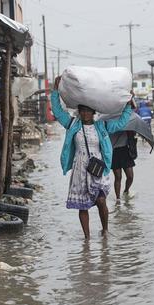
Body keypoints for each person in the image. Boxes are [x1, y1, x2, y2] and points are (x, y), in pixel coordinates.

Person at [51, 76, 134, 239]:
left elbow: (121, 123)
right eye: (82, 111)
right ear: (79, 112)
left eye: (88, 111)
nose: (85, 113)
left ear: (93, 113)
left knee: (101, 201)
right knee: (83, 206)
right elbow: (58, 111)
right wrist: (55, 92)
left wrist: (128, 105)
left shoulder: (102, 126)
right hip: (80, 168)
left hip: (98, 168)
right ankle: (87, 238)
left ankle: (104, 230)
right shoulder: (73, 124)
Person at [110, 131, 136, 201]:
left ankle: (126, 191)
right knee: (118, 177)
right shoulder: (109, 123)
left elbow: (133, 135)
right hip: (113, 151)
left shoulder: (126, 123)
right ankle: (118, 199)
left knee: (130, 176)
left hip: (125, 150)